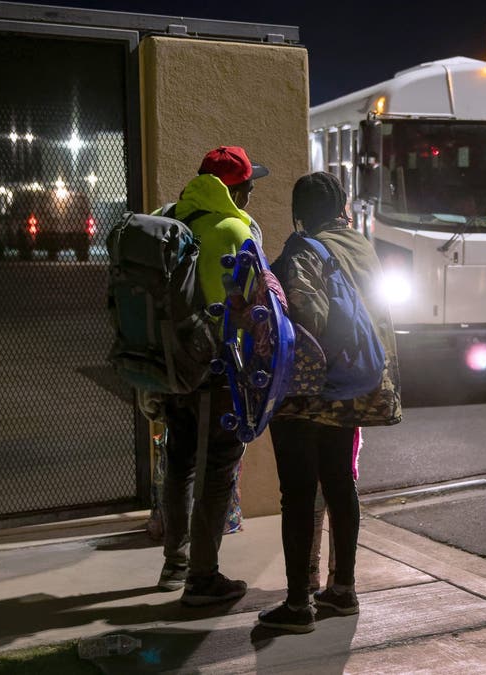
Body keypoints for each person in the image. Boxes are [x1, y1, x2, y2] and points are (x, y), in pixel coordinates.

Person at [258, 172, 401, 633]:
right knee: (339, 482)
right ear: (340, 206)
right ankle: (343, 590)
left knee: (298, 492)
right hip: (359, 383)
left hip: (313, 392)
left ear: (300, 211)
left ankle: (298, 605)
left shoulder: (305, 249)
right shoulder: (360, 246)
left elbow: (310, 316)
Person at [156, 145, 269, 606]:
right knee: (218, 470)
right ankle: (202, 581)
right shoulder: (235, 229)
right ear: (236, 190)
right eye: (249, 188)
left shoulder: (169, 220)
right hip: (218, 368)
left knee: (179, 462)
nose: (250, 197)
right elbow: (257, 304)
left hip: (171, 364)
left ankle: (175, 563)